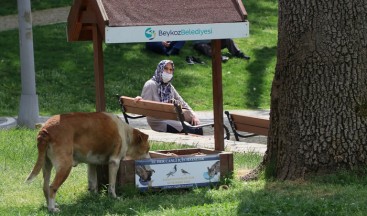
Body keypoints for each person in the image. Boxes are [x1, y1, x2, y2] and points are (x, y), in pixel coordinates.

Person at [135, 60, 203, 135]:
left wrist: (194, 115)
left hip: (172, 118)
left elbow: (182, 102)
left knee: (198, 127)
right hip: (158, 122)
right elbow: (144, 105)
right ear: (160, 69)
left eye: (171, 70)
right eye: (166, 68)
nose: (168, 72)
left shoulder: (169, 86)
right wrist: (140, 100)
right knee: (192, 130)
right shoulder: (150, 84)